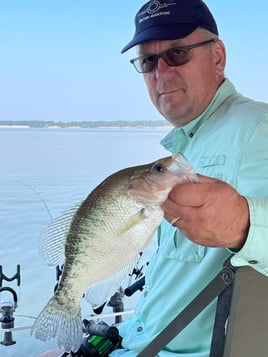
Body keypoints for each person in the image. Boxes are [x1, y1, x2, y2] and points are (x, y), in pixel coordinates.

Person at [37, 0, 268, 356]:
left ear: (218, 57)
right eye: (148, 61)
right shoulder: (189, 143)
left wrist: (245, 222)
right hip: (137, 341)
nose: (162, 73)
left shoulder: (257, 128)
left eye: (177, 53)